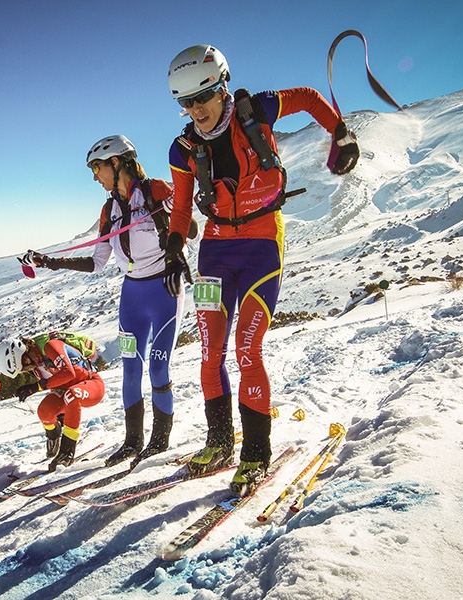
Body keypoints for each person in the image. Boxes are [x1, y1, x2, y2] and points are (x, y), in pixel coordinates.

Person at [162, 45, 360, 496]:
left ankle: (255, 452)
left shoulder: (258, 110)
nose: (196, 110)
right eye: (186, 104)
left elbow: (309, 97)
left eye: (203, 98)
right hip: (214, 250)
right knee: (210, 352)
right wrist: (175, 249)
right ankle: (218, 443)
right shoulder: (183, 148)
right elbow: (179, 206)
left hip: (261, 245)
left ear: (221, 87)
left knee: (247, 348)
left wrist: (341, 133)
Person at [20, 135, 187, 468]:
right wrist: (51, 261)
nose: (95, 177)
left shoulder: (158, 190)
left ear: (116, 163)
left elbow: (190, 226)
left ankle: (159, 440)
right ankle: (132, 442)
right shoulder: (109, 209)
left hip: (165, 291)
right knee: (130, 369)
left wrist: (172, 223)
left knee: (157, 366)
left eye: (97, 168)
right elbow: (97, 261)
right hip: (132, 296)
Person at [0, 333, 105, 471]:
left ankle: (67, 450)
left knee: (72, 395)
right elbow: (55, 383)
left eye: (24, 367)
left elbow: (68, 373)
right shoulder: (36, 362)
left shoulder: (51, 346)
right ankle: (54, 435)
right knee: (44, 412)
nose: (26, 371)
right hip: (65, 391)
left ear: (25, 357)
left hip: (91, 384)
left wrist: (36, 387)